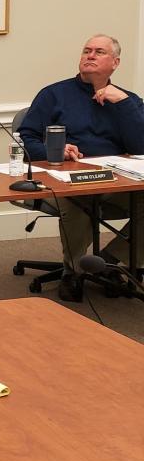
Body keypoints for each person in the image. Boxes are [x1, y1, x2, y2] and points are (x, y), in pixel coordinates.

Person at [18, 34, 144, 302]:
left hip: (118, 180)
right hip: (68, 177)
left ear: (115, 62)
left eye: (99, 52)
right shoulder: (54, 94)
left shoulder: (127, 99)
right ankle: (74, 271)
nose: (90, 55)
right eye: (86, 50)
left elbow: (140, 146)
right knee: (78, 198)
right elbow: (27, 139)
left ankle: (110, 261)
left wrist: (121, 102)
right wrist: (55, 150)